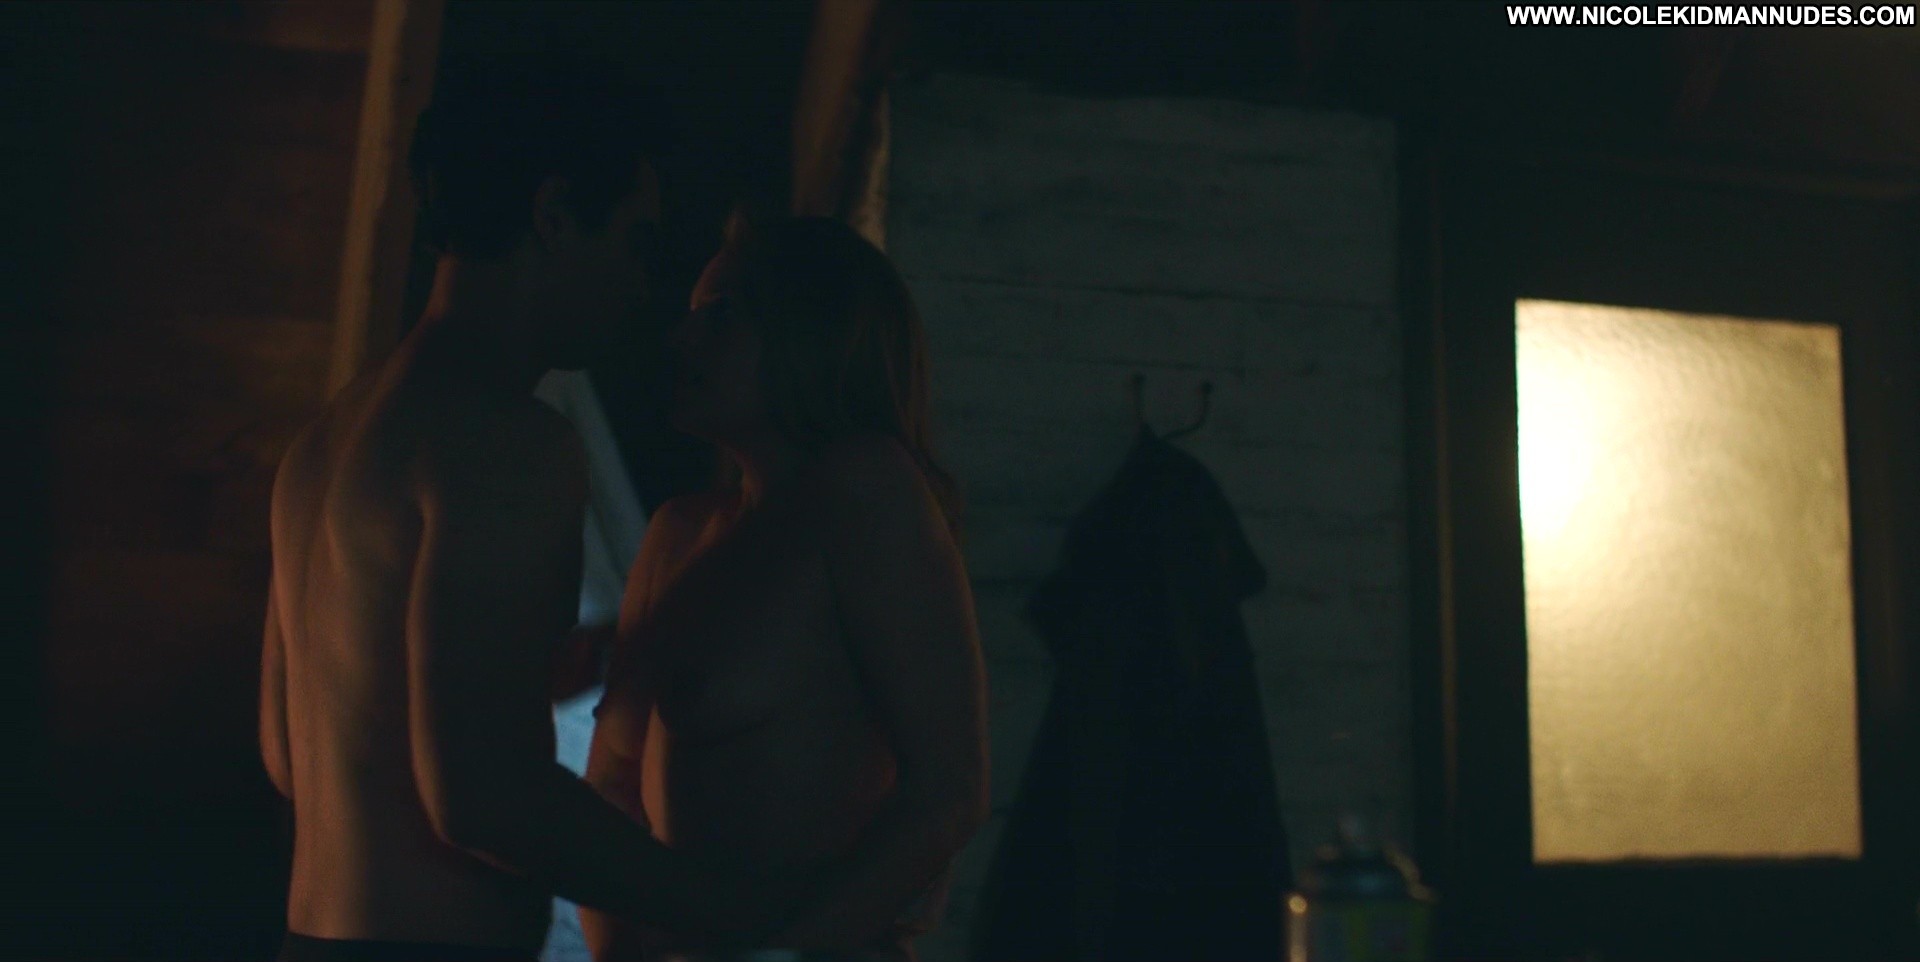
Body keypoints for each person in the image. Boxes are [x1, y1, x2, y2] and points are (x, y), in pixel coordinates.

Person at [258, 65, 805, 962]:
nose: (642, 287)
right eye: (635, 241)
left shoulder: (326, 443)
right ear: (553, 214)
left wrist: (525, 674)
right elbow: (485, 801)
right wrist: (734, 907)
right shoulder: (510, 439)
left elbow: (291, 751)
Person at [580, 215, 990, 962]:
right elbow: (610, 789)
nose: (680, 339)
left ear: (811, 331)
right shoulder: (678, 533)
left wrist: (781, 956)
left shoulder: (866, 489)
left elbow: (949, 789)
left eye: (720, 315)